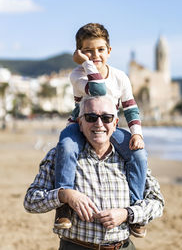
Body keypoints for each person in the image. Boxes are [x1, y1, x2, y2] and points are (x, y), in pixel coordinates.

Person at [24, 95, 164, 250]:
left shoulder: (130, 158)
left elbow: (157, 203)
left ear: (115, 123)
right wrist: (64, 195)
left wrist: (127, 213)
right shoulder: (60, 156)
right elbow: (31, 201)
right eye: (91, 117)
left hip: (123, 246)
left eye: (106, 118)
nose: (99, 124)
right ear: (80, 123)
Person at [55, 23, 147, 237]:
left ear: (109, 51)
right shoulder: (77, 74)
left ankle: (136, 210)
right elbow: (98, 89)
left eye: (100, 49)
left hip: (109, 127)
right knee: (66, 147)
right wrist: (87, 64)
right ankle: (65, 207)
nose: (95, 54)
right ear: (79, 52)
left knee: (139, 155)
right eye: (88, 50)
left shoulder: (121, 77)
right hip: (81, 124)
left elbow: (131, 108)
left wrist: (137, 134)